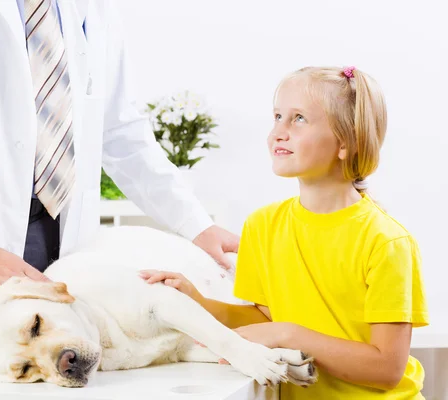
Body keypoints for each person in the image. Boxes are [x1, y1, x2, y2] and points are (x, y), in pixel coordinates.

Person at [0, 1, 239, 399]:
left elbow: (120, 129)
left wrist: (196, 224)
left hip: (54, 247)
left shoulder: (89, 9)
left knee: (49, 378)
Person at [141, 66, 429, 399]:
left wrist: (289, 335)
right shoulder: (262, 226)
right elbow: (265, 318)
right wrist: (198, 301)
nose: (278, 131)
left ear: (346, 143)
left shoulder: (386, 242)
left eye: (299, 119)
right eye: (277, 116)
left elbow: (387, 370)